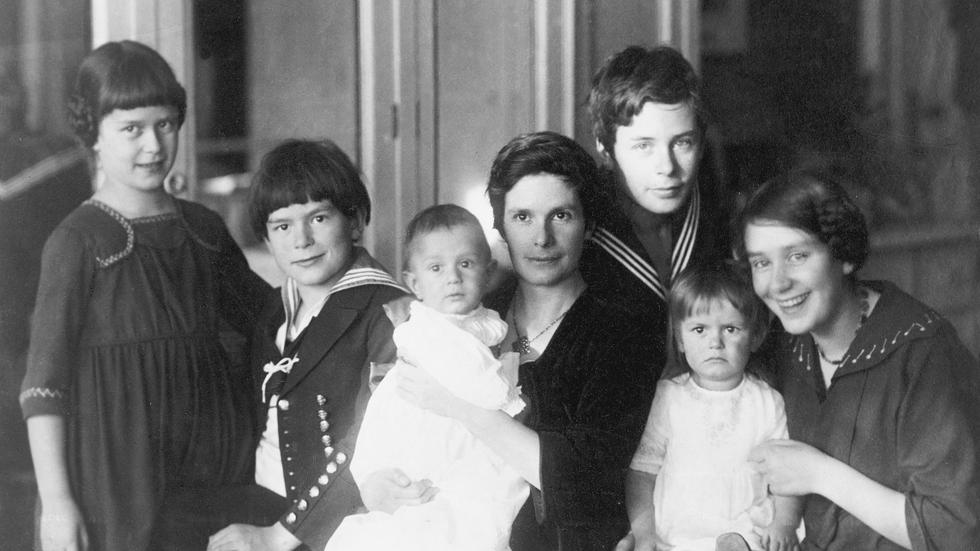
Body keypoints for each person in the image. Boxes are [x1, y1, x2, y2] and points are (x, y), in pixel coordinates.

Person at [19, 40, 270, 551]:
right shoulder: (79, 241)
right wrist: (59, 502)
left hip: (211, 481)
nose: (154, 145)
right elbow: (44, 387)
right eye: (131, 129)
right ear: (94, 134)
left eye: (165, 124)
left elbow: (272, 319)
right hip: (116, 489)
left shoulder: (203, 228)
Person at [362, 131, 662, 549]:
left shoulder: (620, 334)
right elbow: (393, 420)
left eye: (561, 216)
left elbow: (585, 483)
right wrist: (375, 486)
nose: (542, 238)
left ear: (589, 225)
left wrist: (459, 408)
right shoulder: (463, 312)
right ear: (500, 226)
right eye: (522, 217)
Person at [738, 170, 980, 550]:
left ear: (844, 256)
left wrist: (818, 474)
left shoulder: (924, 352)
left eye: (797, 256)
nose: (778, 283)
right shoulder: (781, 345)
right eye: (761, 263)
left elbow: (957, 532)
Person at [207, 139, 407, 551]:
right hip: (265, 506)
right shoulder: (274, 311)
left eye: (318, 218)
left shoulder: (390, 314)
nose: (301, 240)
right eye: (282, 226)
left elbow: (370, 444)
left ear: (355, 222)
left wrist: (279, 536)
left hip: (339, 526)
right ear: (267, 239)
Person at [326, 204, 528, 551]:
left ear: (488, 272)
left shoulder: (480, 323)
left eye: (466, 264)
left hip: (460, 433)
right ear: (415, 283)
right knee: (437, 522)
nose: (453, 277)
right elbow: (491, 391)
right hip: (428, 434)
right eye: (437, 268)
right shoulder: (429, 331)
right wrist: (512, 396)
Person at [623, 263, 801, 551]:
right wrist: (644, 534)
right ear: (680, 339)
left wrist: (785, 523)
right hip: (678, 538)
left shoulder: (766, 401)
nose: (715, 342)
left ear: (755, 337)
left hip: (747, 530)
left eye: (730, 329)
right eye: (699, 329)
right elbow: (642, 473)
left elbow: (786, 474)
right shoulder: (668, 397)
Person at [582, 44, 732, 329]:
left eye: (682, 142)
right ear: (604, 147)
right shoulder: (579, 234)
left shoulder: (726, 228)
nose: (667, 167)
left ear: (701, 144)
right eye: (643, 146)